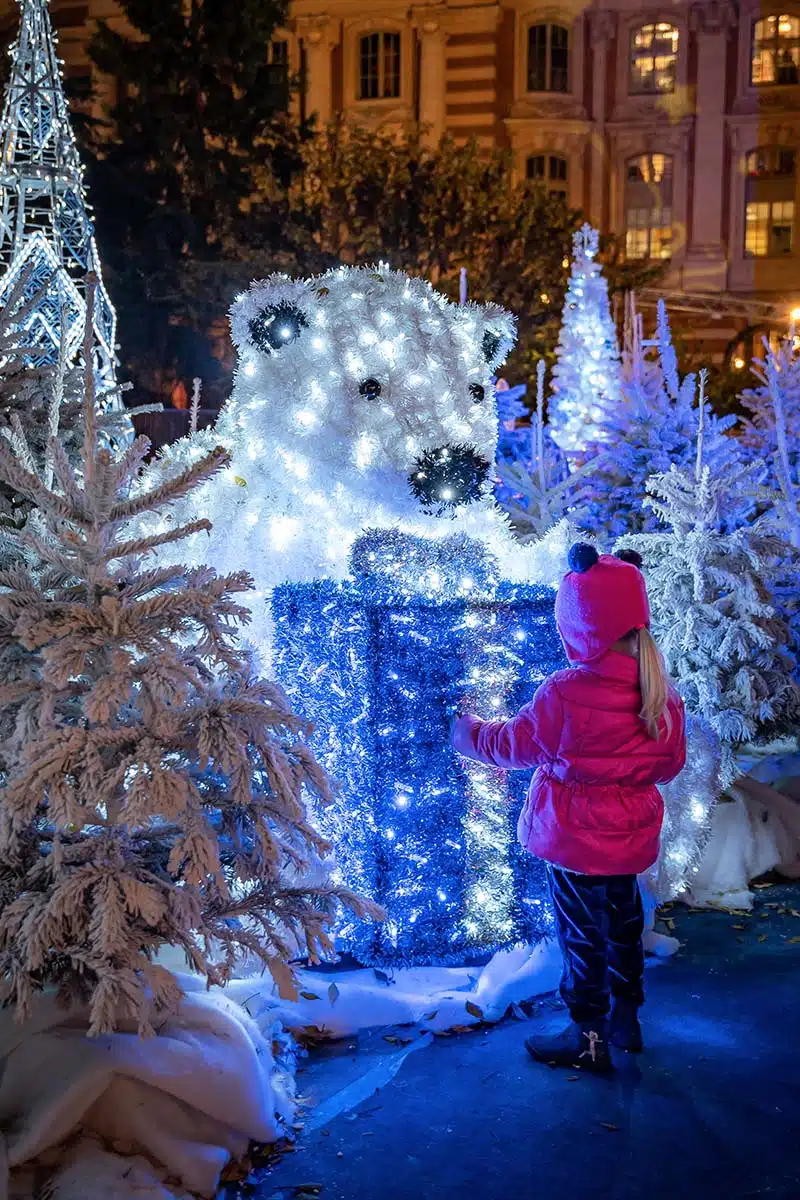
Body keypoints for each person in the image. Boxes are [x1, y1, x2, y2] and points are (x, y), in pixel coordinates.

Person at [452, 543, 686, 1073]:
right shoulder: (661, 694)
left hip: (575, 840)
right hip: (629, 840)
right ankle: (626, 1022)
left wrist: (466, 733)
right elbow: (669, 764)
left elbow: (513, 746)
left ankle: (588, 1038)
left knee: (583, 938)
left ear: (580, 624)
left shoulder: (565, 692)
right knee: (624, 928)